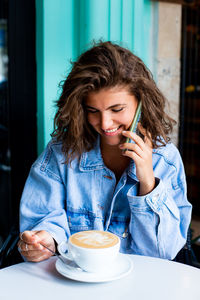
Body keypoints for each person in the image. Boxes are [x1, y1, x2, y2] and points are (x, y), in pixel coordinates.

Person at [17, 41, 192, 262]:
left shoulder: (166, 160)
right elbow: (46, 222)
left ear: (141, 103)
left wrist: (147, 180)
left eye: (117, 109)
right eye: (93, 111)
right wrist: (44, 241)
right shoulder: (60, 154)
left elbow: (162, 253)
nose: (105, 123)